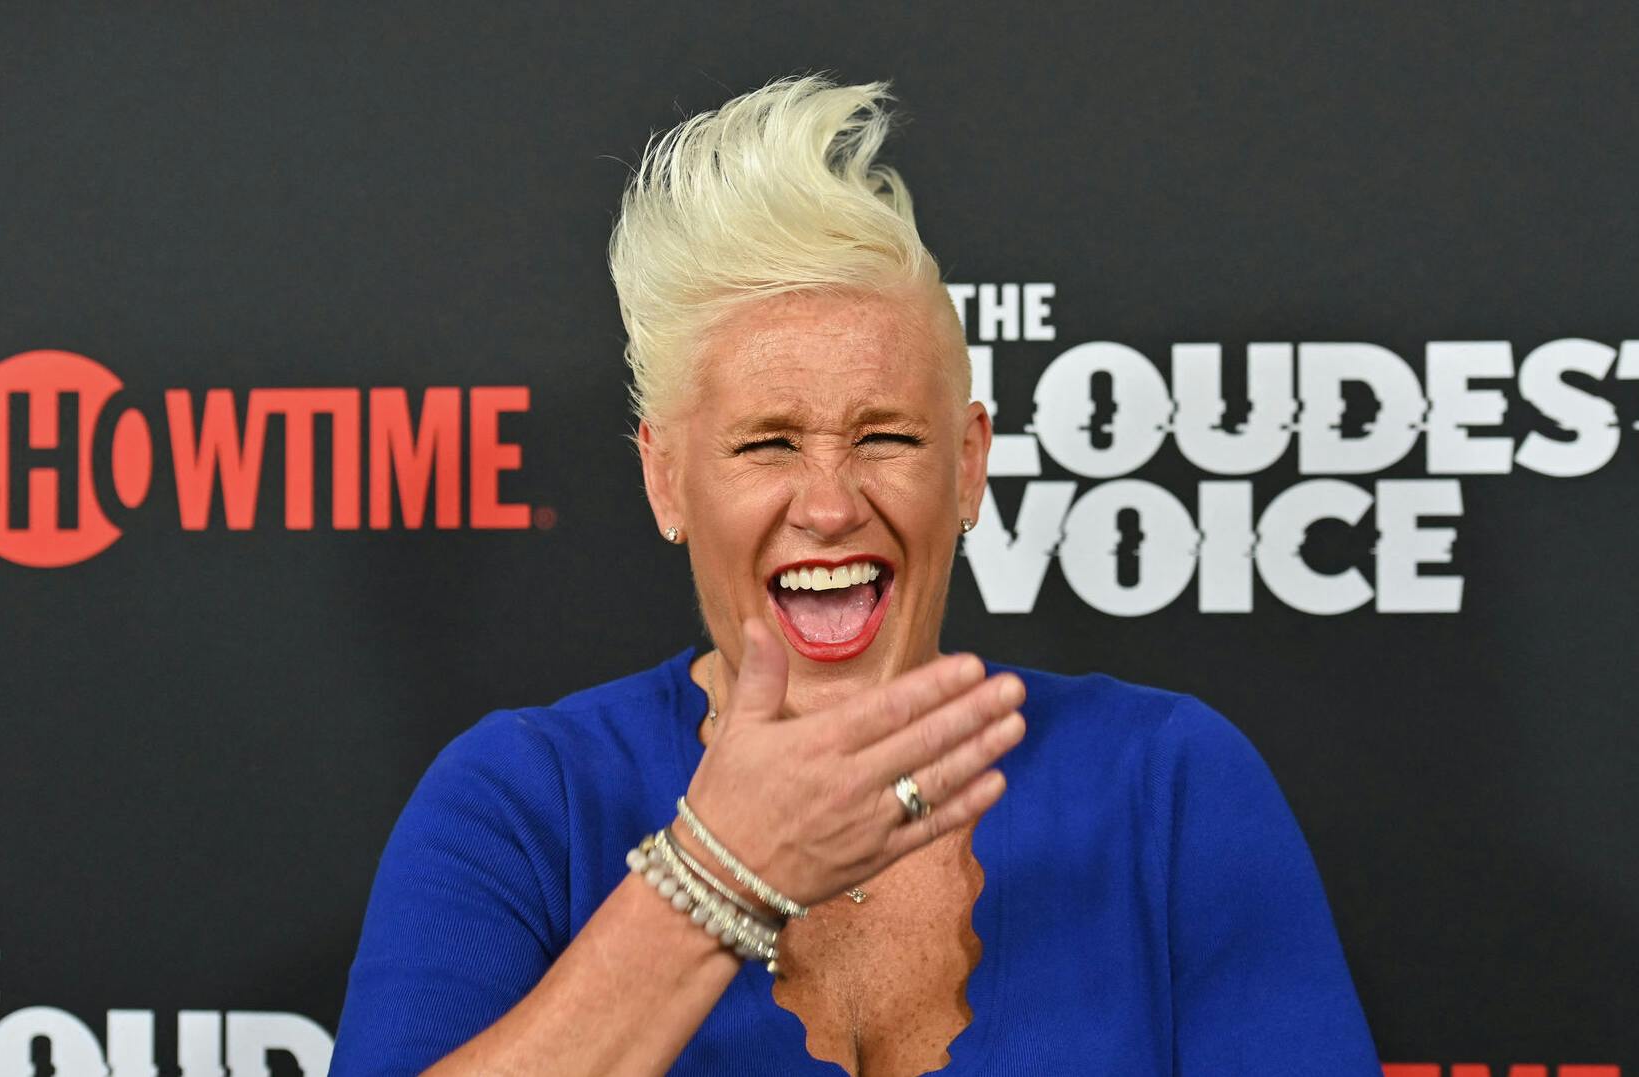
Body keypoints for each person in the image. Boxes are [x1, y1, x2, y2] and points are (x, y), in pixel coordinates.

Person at [329, 75, 1380, 1076]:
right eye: (766, 445)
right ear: (666, 479)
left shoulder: (1170, 782)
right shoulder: (522, 798)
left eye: (886, 437)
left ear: (967, 464)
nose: (830, 505)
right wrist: (716, 873)